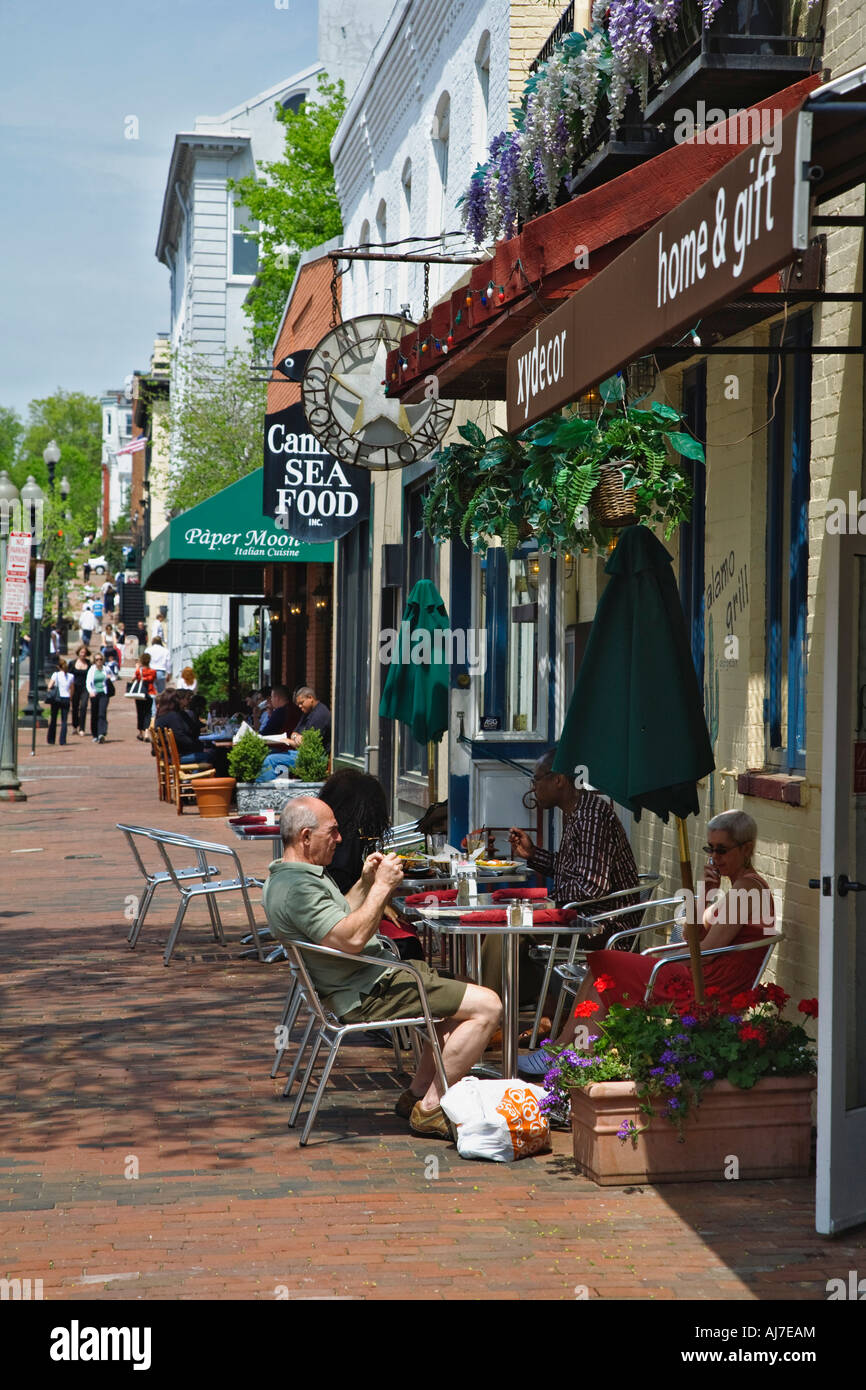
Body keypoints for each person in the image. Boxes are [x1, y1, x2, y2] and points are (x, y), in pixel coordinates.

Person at [263, 797, 501, 1137]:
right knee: (489, 1006)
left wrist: (364, 882)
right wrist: (384, 887)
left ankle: (416, 1095)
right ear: (305, 837)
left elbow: (337, 920)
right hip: (367, 993)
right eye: (332, 832)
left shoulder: (288, 879)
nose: (340, 839)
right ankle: (433, 1108)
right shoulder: (298, 888)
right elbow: (351, 940)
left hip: (370, 980)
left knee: (462, 993)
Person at [511, 749, 641, 1077]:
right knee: (511, 934)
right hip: (584, 919)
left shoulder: (592, 815)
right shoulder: (575, 812)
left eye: (537, 779)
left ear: (559, 780)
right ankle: (546, 1030)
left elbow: (592, 888)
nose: (532, 788)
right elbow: (572, 872)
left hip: (606, 925)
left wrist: (551, 905)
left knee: (513, 938)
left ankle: (521, 1026)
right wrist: (534, 855)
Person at [575, 810, 776, 1020]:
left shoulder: (747, 889)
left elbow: (707, 953)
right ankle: (569, 1047)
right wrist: (703, 895)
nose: (715, 857)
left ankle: (566, 1047)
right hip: (701, 977)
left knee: (606, 965)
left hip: (708, 987)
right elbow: (692, 937)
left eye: (722, 850)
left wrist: (661, 962)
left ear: (746, 849)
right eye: (710, 849)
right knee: (600, 969)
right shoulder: (738, 888)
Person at [319, 768, 424, 962]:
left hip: (344, 919)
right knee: (408, 941)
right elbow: (343, 893)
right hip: (349, 926)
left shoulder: (335, 837)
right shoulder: (346, 843)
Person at [256, 686, 331, 782]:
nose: (299, 706)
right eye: (298, 704)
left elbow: (306, 744)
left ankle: (266, 793)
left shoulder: (320, 715)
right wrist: (297, 737)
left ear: (310, 698)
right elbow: (294, 733)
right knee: (268, 754)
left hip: (315, 757)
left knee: (270, 760)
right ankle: (280, 789)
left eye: (301, 703)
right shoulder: (307, 711)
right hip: (303, 752)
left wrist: (290, 741)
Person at [154, 690, 215, 766]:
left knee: (209, 752)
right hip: (178, 757)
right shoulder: (173, 717)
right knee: (212, 755)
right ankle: (192, 777)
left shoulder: (161, 716)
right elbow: (180, 736)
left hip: (170, 756)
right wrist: (198, 745)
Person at [46, 657, 74, 746]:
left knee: (54, 719)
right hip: (66, 698)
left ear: (58, 667)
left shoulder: (56, 674)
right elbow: (72, 689)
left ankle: (51, 739)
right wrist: (70, 697)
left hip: (56, 698)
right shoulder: (71, 676)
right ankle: (62, 740)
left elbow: (50, 686)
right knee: (64, 720)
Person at [86, 652, 113, 743]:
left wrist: (110, 678)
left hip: (104, 694)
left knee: (102, 712)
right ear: (94, 661)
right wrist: (90, 692)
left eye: (100, 659)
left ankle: (102, 733)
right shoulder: (92, 669)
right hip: (95, 694)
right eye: (97, 659)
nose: (99, 661)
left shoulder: (106, 669)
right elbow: (88, 682)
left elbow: (114, 677)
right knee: (94, 714)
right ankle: (95, 734)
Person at [133, 652, 157, 740]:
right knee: (148, 713)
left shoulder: (139, 671)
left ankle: (140, 733)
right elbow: (153, 679)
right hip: (150, 693)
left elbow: (134, 678)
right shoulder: (153, 671)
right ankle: (147, 732)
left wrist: (137, 668)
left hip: (140, 694)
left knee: (140, 713)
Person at [70, 644, 90, 735]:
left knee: (83, 706)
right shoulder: (72, 663)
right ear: (78, 653)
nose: (83, 654)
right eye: (81, 652)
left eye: (84, 653)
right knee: (75, 707)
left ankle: (82, 728)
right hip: (75, 687)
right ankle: (75, 726)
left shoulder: (89, 663)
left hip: (85, 687)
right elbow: (69, 676)